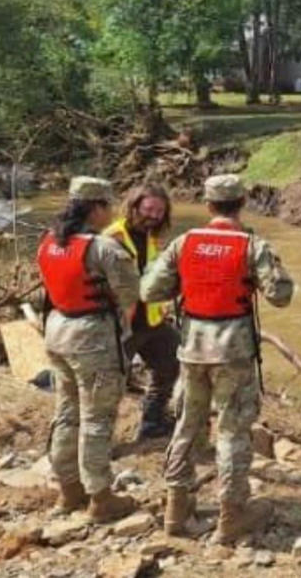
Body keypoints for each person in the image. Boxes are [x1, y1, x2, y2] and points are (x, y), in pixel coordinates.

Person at [141, 174, 295, 544]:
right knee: (232, 431)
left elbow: (149, 290)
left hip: (192, 348)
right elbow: (281, 295)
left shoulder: (183, 243)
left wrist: (187, 283)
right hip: (233, 352)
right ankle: (232, 514)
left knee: (187, 425)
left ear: (208, 206)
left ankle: (176, 511)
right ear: (242, 203)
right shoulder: (252, 246)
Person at [38, 176, 140, 523]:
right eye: (108, 206)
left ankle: (68, 490)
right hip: (92, 338)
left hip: (56, 331)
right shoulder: (104, 249)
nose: (111, 212)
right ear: (95, 208)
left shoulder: (49, 241)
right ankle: (101, 496)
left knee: (67, 412)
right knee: (97, 417)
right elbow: (130, 294)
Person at [104, 184, 181, 441]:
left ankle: (153, 421)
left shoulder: (152, 237)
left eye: (160, 211)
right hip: (122, 324)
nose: (154, 215)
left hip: (151, 321)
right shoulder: (112, 237)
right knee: (110, 384)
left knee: (172, 362)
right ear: (134, 206)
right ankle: (100, 440)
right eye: (149, 209)